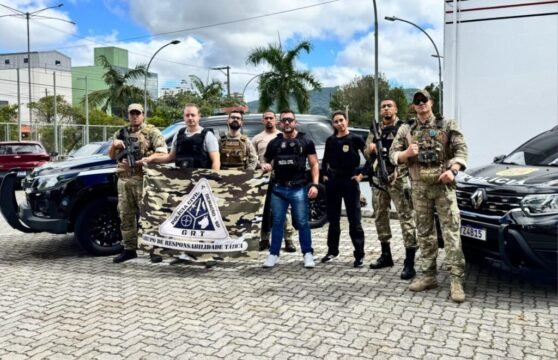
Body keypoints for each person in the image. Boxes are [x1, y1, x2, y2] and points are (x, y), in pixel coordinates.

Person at [389, 89, 468, 303]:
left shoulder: (447, 125)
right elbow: (392, 154)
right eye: (417, 101)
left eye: (424, 100)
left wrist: (452, 170)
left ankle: (456, 279)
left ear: (431, 103)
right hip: (419, 187)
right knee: (424, 232)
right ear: (413, 106)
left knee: (451, 231)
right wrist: (406, 154)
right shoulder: (407, 128)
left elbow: (461, 150)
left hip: (443, 186)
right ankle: (428, 276)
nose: (421, 104)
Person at [364, 99, 418, 279]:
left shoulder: (404, 128)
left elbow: (410, 153)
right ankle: (385, 254)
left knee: (406, 217)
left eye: (389, 106)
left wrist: (398, 171)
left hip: (399, 178)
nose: (386, 109)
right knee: (380, 215)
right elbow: (366, 150)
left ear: (395, 109)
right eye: (383, 107)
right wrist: (370, 148)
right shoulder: (376, 129)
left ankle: (409, 262)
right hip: (379, 178)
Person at [109, 103, 168, 264]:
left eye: (138, 113)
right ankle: (129, 249)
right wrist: (114, 145)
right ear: (128, 115)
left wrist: (146, 160)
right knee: (125, 215)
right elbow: (110, 156)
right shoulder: (121, 133)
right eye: (132, 113)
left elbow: (163, 153)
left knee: (148, 215)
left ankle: (153, 249)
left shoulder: (151, 132)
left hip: (143, 179)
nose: (135, 116)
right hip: (124, 180)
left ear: (143, 115)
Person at [261, 109, 319, 268]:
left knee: (302, 222)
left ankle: (307, 253)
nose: (287, 123)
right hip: (278, 189)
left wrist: (314, 185)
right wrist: (264, 165)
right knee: (278, 222)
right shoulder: (274, 143)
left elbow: (314, 164)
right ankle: (273, 254)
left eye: (290, 120)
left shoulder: (306, 141)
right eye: (284, 120)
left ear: (295, 122)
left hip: (298, 188)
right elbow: (265, 161)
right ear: (280, 123)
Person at [320, 111, 367, 268]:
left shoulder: (355, 139)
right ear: (333, 124)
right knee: (333, 219)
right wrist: (325, 175)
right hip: (333, 182)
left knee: (354, 219)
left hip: (350, 181)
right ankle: (332, 251)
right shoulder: (330, 140)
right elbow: (325, 161)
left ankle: (359, 254)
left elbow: (370, 159)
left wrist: (361, 175)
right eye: (336, 121)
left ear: (347, 121)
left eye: (341, 120)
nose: (339, 123)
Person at [252, 111, 296, 253]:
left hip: (282, 178)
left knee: (285, 209)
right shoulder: (257, 139)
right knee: (263, 210)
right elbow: (253, 159)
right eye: (266, 118)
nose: (269, 120)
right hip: (263, 178)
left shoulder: (282, 136)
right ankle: (264, 239)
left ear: (276, 120)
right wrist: (261, 165)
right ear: (262, 121)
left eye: (271, 118)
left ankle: (288, 240)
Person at [141, 103, 220, 171]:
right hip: (181, 181)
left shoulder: (207, 135)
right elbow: (170, 157)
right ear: (184, 116)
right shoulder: (179, 134)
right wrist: (151, 159)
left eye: (193, 115)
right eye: (187, 115)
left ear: (199, 116)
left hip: (200, 182)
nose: (190, 118)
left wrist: (211, 180)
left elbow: (216, 161)